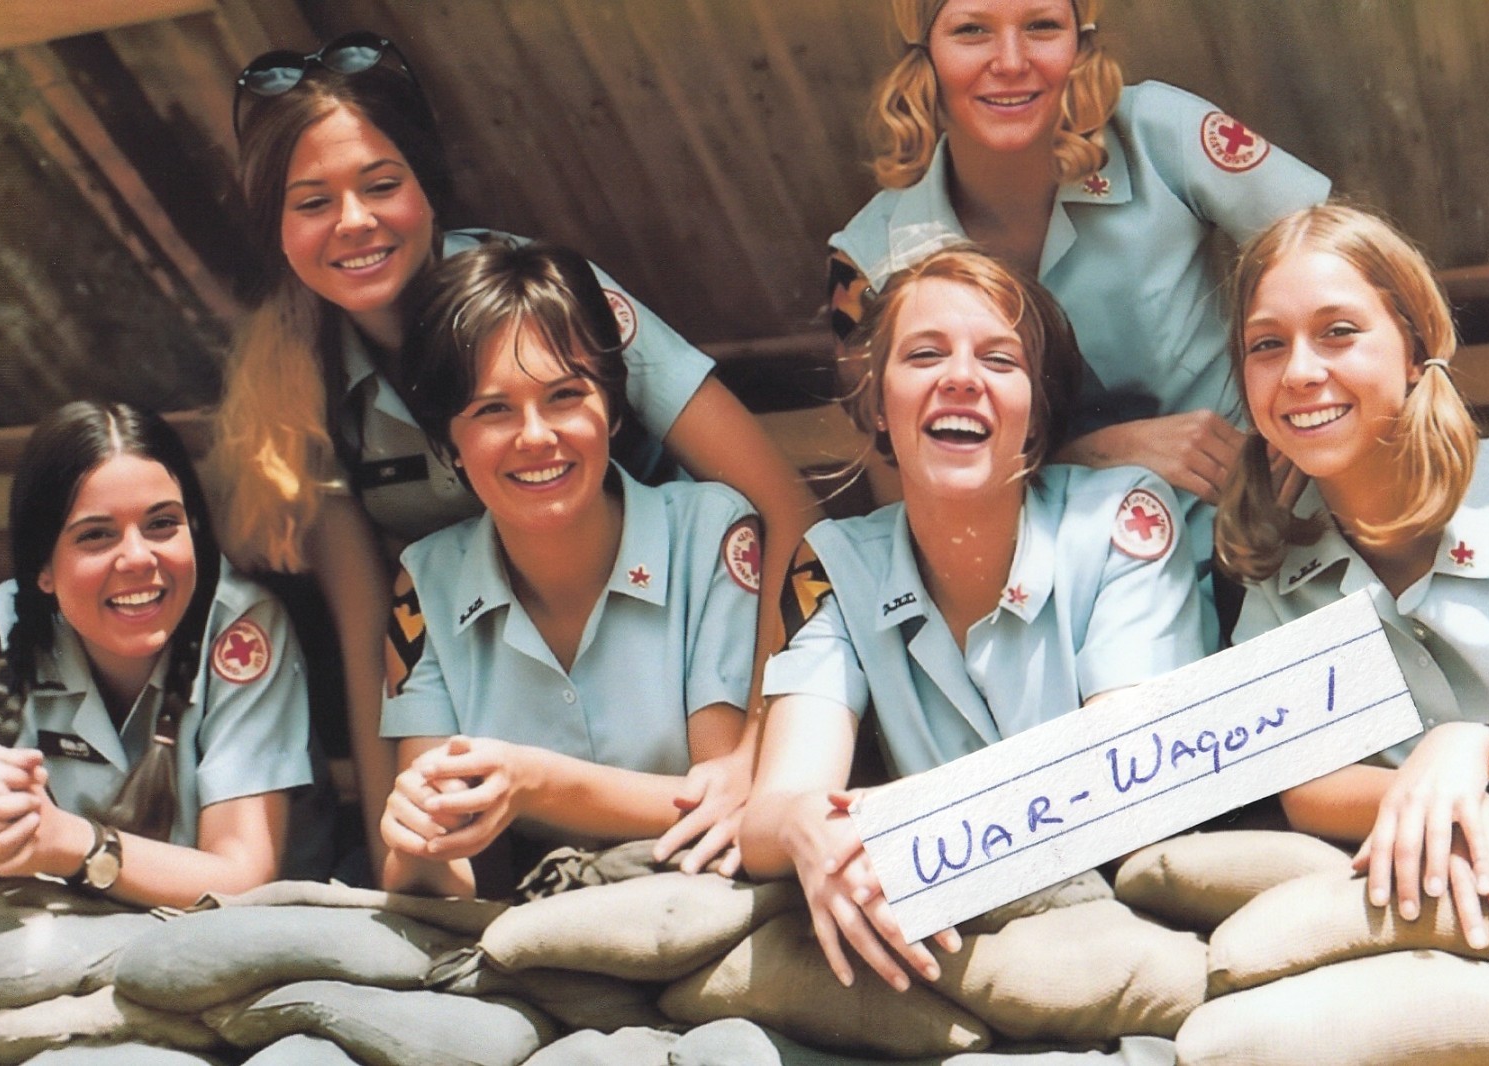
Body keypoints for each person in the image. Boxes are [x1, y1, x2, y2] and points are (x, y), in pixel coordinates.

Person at [212, 33, 817, 876]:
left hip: (685, 674)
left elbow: (786, 513)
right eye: (310, 202)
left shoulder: (552, 304)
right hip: (504, 707)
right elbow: (369, 631)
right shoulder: (299, 382)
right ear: (275, 228)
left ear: (428, 189)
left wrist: (759, 750)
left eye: (382, 185)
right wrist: (404, 847)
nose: (354, 222)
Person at [742, 247, 1203, 990]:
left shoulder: (1119, 519)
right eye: (925, 355)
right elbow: (769, 817)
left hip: (1120, 921)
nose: (960, 378)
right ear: (879, 404)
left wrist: (902, 816)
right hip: (947, 943)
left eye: (1000, 360)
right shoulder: (831, 561)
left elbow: (1128, 775)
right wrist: (806, 829)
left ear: (1036, 414)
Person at [828, 0, 1329, 639]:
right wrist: (1085, 459)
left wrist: (1299, 440)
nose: (1010, 63)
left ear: (1081, 37)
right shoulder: (868, 260)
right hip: (1060, 606)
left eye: (1041, 25)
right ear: (924, 53)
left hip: (1267, 535)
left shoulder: (1158, 133)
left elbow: (1351, 274)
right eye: (971, 29)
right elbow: (908, 508)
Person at [1216, 202, 1489, 968]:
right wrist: (1451, 809)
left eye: (1338, 331)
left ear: (1416, 348)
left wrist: (1475, 753)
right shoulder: (1282, 577)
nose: (1300, 372)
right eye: (1266, 344)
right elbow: (1311, 789)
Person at [377, 241, 759, 898]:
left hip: (700, 905)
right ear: (449, 445)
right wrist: (417, 834)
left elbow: (721, 801)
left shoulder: (711, 533)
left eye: (564, 395)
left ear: (611, 406)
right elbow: (435, 879)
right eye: (492, 409)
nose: (535, 436)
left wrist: (535, 787)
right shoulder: (426, 581)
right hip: (532, 942)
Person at [0, 402, 313, 909]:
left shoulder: (240, 626)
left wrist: (66, 842)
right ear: (41, 569)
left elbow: (245, 878)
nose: (139, 557)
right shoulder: (6, 624)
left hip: (247, 947)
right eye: (96, 535)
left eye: (162, 524)